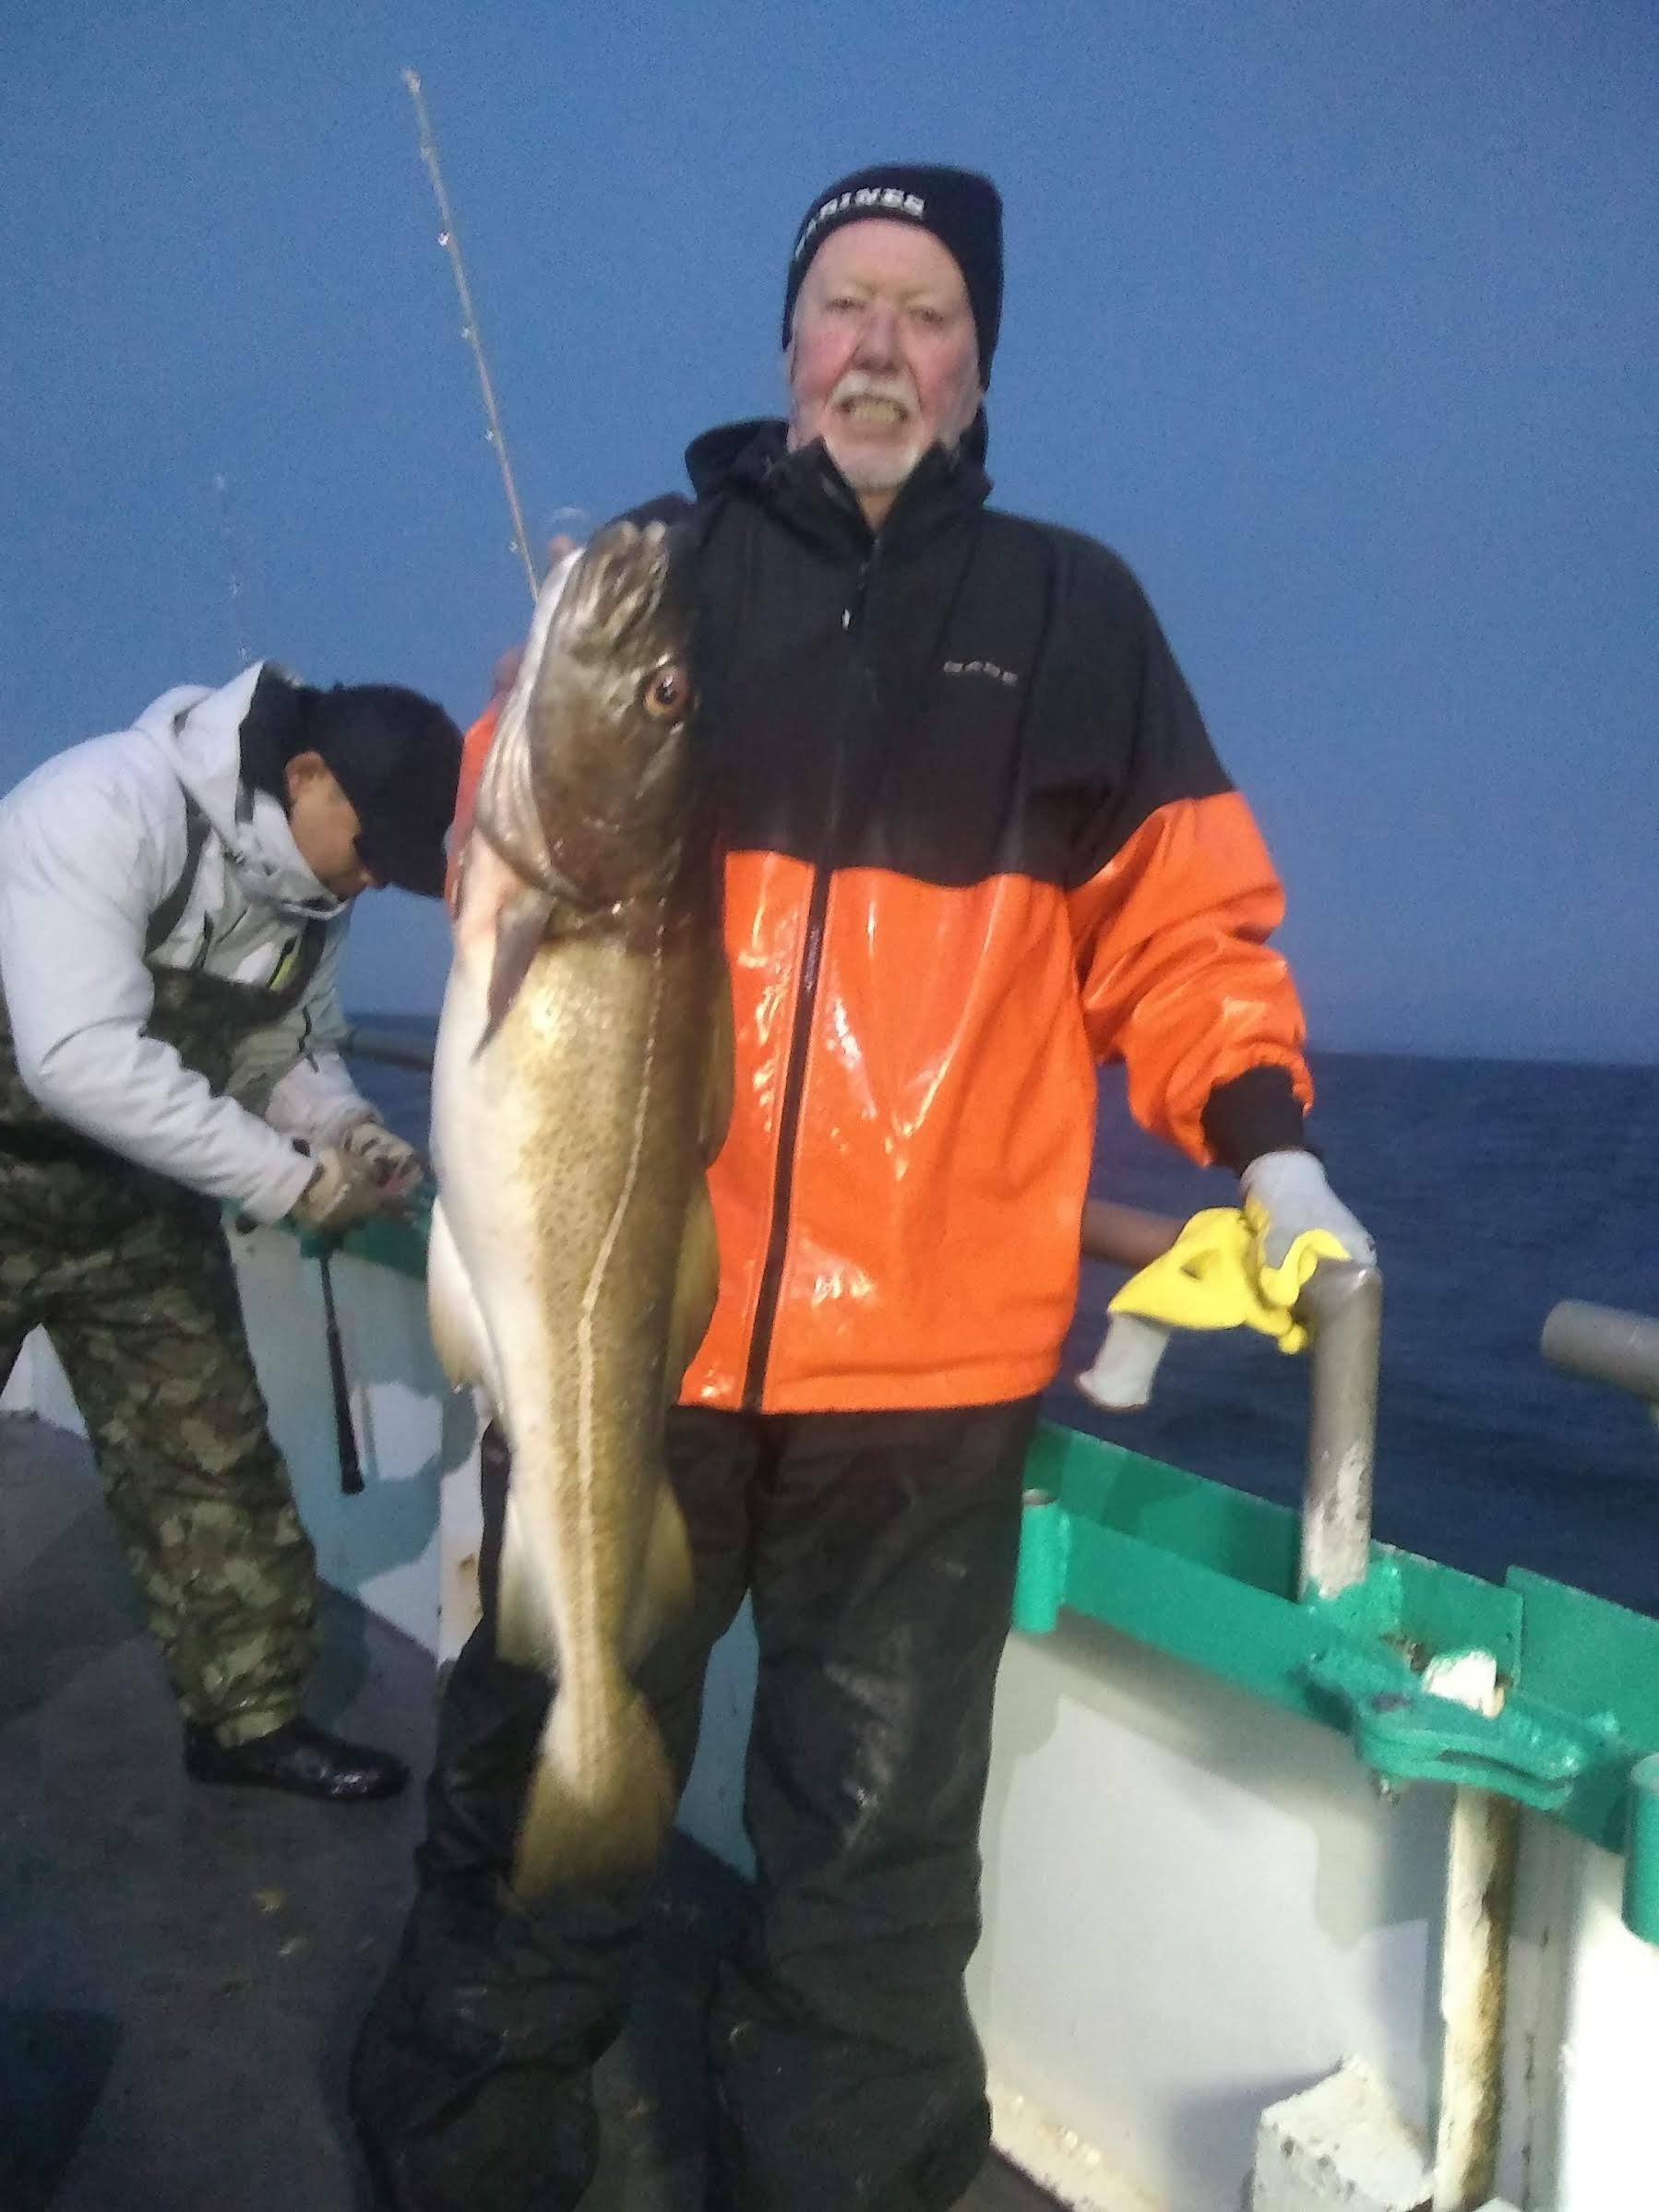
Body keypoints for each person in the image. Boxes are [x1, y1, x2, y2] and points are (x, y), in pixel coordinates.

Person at [350, 164, 1374, 2209]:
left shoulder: (1072, 613)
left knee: (877, 1854)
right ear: (785, 344)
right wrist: (508, 754)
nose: (880, 347)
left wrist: (1264, 1144)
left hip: (927, 1368)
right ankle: (467, 2145)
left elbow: (1182, 928)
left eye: (926, 313)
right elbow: (503, 822)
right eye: (844, 303)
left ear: (975, 365)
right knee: (532, 1731)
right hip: (647, 1310)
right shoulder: (663, 568)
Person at [0, 659, 463, 1802]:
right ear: (306, 774)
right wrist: (297, 1188)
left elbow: (278, 1053)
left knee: (211, 1464)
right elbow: (76, 1058)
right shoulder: (109, 806)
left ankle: (249, 1720)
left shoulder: (313, 898)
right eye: (369, 850)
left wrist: (347, 1130)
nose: (368, 884)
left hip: (138, 1205)